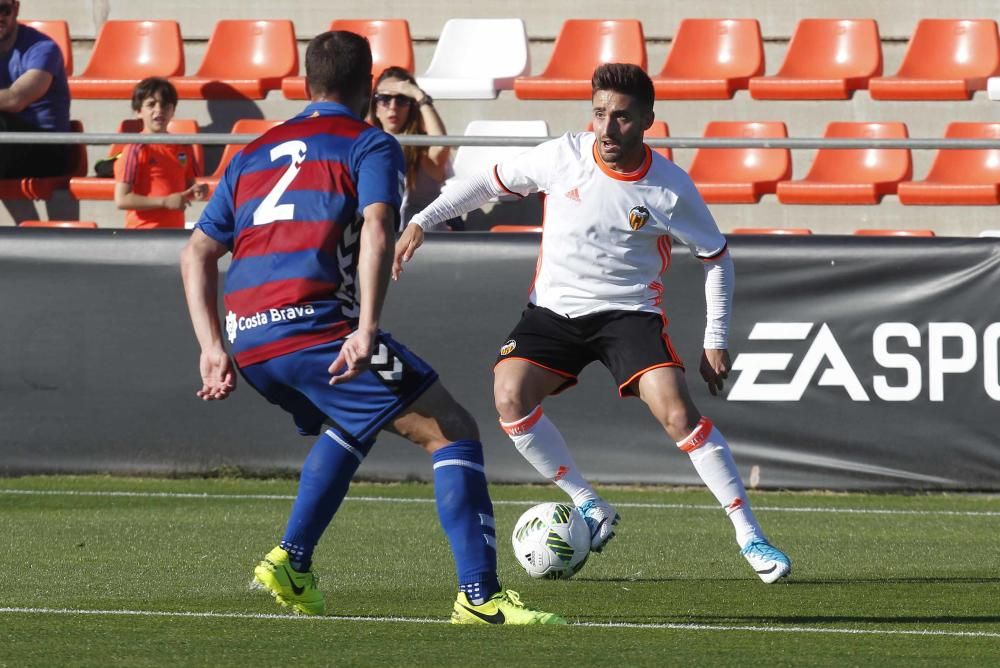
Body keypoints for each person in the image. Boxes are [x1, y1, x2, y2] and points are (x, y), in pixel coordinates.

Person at [180, 30, 563, 624]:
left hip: (251, 341)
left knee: (353, 422)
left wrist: (211, 347)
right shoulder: (370, 143)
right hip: (315, 330)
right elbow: (379, 227)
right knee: (453, 430)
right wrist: (367, 327)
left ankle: (292, 562)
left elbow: (197, 252)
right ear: (368, 88)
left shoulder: (254, 150)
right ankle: (480, 597)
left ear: (306, 83)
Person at [394, 63, 791, 583]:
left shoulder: (669, 188)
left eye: (622, 118)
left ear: (648, 120)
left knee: (678, 415)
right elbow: (483, 182)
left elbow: (716, 257)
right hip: (553, 312)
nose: (607, 128)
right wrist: (424, 220)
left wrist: (715, 338)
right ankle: (587, 502)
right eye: (599, 113)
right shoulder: (563, 156)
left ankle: (750, 535)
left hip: (629, 315)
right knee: (509, 397)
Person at [368, 66, 461, 231]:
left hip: (423, 245)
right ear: (375, 106)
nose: (393, 106)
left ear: (412, 106)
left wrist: (420, 96)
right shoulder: (366, 146)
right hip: (382, 240)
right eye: (384, 99)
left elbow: (440, 147)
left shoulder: (422, 150)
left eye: (402, 99)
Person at [114, 77, 206, 229]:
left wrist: (198, 191)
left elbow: (188, 187)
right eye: (151, 104)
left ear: (172, 111)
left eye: (165, 105)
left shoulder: (183, 146)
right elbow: (122, 199)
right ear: (138, 111)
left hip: (174, 231)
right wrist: (164, 202)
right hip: (144, 233)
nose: (159, 110)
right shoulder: (136, 148)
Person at [0, 0, 72, 178]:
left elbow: (16, 99)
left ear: (16, 9)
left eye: (3, 10)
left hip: (45, 146)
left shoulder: (43, 49)